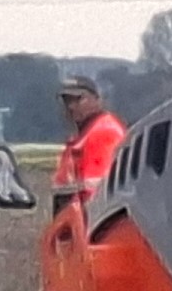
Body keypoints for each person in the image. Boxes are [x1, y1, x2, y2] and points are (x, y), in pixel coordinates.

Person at [53, 73, 124, 206]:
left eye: (78, 99)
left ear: (97, 99)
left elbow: (97, 190)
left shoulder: (104, 132)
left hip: (90, 218)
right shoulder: (84, 134)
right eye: (67, 100)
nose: (71, 106)